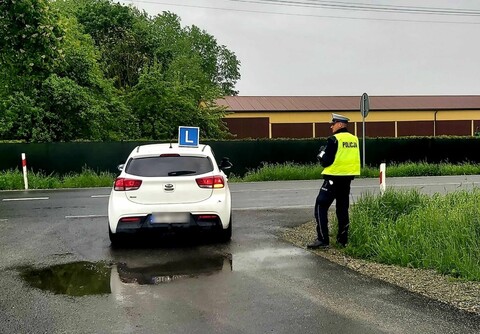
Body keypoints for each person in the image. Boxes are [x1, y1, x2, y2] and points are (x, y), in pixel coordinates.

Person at [307, 113, 361, 249]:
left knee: (320, 206)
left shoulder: (334, 140)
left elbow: (326, 161)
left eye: (334, 123)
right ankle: (342, 240)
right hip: (347, 179)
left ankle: (322, 240)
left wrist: (321, 155)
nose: (331, 126)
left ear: (341, 125)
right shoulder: (354, 139)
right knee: (342, 209)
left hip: (332, 178)